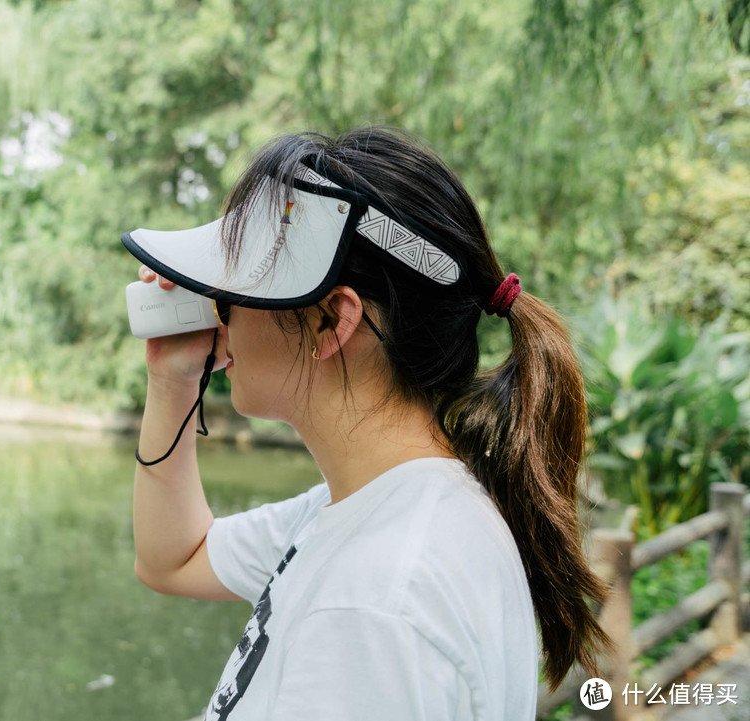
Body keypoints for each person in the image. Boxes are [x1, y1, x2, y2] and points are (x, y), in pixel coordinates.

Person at [125, 126, 613, 720]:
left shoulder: (375, 603)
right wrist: (172, 382)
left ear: (333, 321)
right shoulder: (371, 510)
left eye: (235, 289)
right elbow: (171, 559)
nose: (216, 308)